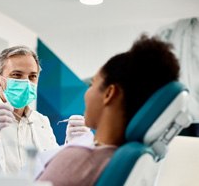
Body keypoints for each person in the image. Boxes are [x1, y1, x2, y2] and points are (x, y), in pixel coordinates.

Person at [36, 34, 180, 186]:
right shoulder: (120, 158)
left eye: (92, 84)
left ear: (109, 94)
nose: (86, 93)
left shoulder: (78, 160)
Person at [0, 46, 87, 174]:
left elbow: (52, 171)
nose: (26, 82)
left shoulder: (41, 121)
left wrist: (71, 146)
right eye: (17, 75)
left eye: (32, 76)